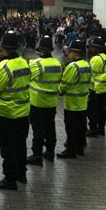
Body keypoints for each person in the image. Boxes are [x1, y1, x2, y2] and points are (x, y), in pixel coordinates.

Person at [0, 31, 31, 190]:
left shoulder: (3, 66)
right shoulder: (24, 62)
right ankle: (21, 174)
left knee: (7, 146)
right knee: (21, 144)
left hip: (7, 112)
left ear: (3, 46)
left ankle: (9, 178)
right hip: (23, 111)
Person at [26, 35, 62, 165]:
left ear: (40, 49)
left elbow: (27, 78)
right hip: (52, 102)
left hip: (37, 102)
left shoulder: (36, 64)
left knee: (38, 130)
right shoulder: (57, 64)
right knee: (50, 128)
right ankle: (50, 152)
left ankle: (36, 154)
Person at [57, 40, 91, 159]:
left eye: (70, 51)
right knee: (81, 126)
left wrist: (60, 91)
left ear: (76, 53)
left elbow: (65, 84)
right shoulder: (86, 64)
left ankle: (70, 150)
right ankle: (80, 148)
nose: (68, 53)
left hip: (72, 103)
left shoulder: (72, 66)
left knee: (71, 127)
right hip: (83, 102)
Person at [86, 36, 106, 137]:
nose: (90, 49)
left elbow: (89, 74)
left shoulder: (95, 59)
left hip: (94, 89)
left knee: (92, 111)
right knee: (101, 110)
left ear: (98, 48)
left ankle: (93, 129)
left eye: (92, 47)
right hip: (102, 89)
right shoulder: (105, 57)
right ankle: (101, 128)